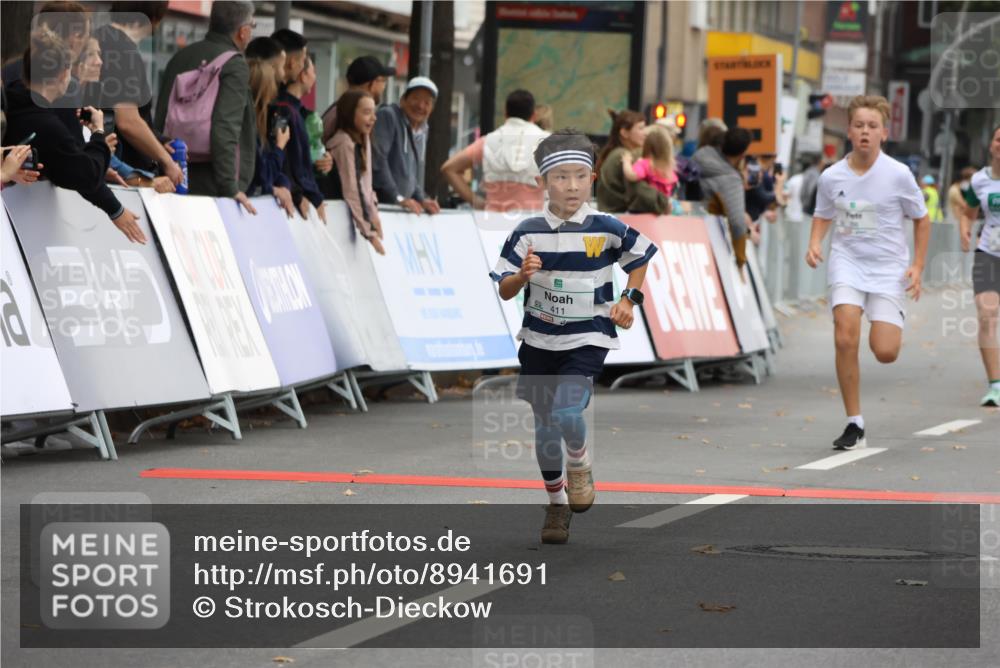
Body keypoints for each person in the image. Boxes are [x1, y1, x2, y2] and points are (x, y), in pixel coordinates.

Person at [490, 130, 657, 544]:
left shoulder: (606, 227)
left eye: (580, 176)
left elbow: (640, 257)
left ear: (593, 179)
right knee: (545, 426)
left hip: (588, 338)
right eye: (561, 177)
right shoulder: (527, 232)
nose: (571, 186)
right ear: (542, 182)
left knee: (567, 413)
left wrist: (629, 300)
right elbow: (504, 288)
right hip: (538, 340)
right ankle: (556, 504)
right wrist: (521, 276)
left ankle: (579, 465)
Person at [805, 95, 930, 450]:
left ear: (884, 134)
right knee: (845, 336)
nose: (865, 131)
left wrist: (917, 266)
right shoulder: (832, 176)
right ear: (848, 130)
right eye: (859, 125)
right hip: (848, 261)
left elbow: (922, 219)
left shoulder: (898, 174)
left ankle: (887, 322)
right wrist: (814, 242)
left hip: (888, 268)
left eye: (872, 126)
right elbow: (823, 214)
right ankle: (854, 422)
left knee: (884, 351)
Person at [5, 28, 145, 243]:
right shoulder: (46, 125)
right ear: (63, 74)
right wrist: (98, 134)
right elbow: (85, 174)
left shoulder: (13, 102)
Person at [155, 0, 257, 213]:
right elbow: (225, 126)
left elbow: (161, 117)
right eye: (252, 26)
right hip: (214, 183)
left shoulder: (180, 57)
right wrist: (230, 187)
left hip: (173, 173)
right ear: (243, 31)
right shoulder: (234, 65)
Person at [95, 1, 183, 187]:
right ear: (154, 17)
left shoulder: (99, 38)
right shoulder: (122, 51)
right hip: (124, 178)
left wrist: (158, 141)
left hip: (102, 168)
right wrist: (166, 161)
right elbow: (128, 121)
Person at [74, 35, 174, 192]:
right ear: (75, 62)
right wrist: (99, 150)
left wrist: (144, 180)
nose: (99, 62)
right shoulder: (65, 106)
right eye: (91, 55)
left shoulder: (86, 107)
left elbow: (112, 165)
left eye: (99, 54)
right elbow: (73, 158)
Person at [439, 89, 549, 211]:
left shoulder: (488, 141)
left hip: (494, 218)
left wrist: (476, 201)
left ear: (506, 113)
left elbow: (449, 168)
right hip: (532, 219)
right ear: (534, 115)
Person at [959, 125, 1000, 407]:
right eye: (999, 139)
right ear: (991, 145)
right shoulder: (979, 180)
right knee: (987, 314)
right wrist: (965, 229)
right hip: (988, 254)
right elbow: (968, 213)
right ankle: (995, 386)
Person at [273, 39, 328, 222]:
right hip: (294, 204)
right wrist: (297, 194)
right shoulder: (282, 110)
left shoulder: (300, 112)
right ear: (303, 75)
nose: (315, 76)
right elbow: (282, 153)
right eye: (313, 71)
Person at [373, 76, 440, 214]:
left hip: (398, 211)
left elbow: (410, 176)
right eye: (416, 98)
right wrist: (398, 197)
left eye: (427, 102)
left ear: (432, 109)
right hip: (380, 208)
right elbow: (378, 161)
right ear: (403, 100)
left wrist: (422, 199)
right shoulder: (388, 116)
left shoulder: (422, 130)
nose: (420, 106)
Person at [329, 90, 385, 255]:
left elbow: (366, 184)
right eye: (367, 112)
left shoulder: (363, 139)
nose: (373, 118)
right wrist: (369, 233)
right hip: (335, 222)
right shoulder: (344, 143)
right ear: (350, 113)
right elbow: (352, 189)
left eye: (374, 112)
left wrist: (373, 214)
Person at [691, 126, 754, 266]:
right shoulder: (731, 180)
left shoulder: (700, 155)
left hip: (683, 229)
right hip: (710, 241)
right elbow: (737, 223)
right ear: (742, 154)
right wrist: (740, 260)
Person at [246, 58, 294, 217]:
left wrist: (283, 186)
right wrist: (279, 147)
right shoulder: (248, 128)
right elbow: (263, 175)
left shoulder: (260, 124)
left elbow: (271, 172)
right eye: (271, 85)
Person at [596, 109, 668, 214]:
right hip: (620, 218)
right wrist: (664, 202)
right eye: (641, 128)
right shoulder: (626, 156)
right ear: (624, 133)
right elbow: (641, 192)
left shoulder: (616, 153)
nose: (645, 133)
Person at [321, 55, 394, 145]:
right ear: (372, 83)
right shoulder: (342, 115)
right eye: (383, 81)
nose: (384, 87)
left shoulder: (340, 110)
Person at [621, 126, 678, 201]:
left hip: (650, 203)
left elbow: (631, 175)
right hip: (664, 202)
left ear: (647, 146)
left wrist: (626, 161)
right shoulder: (669, 167)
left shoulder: (646, 164)